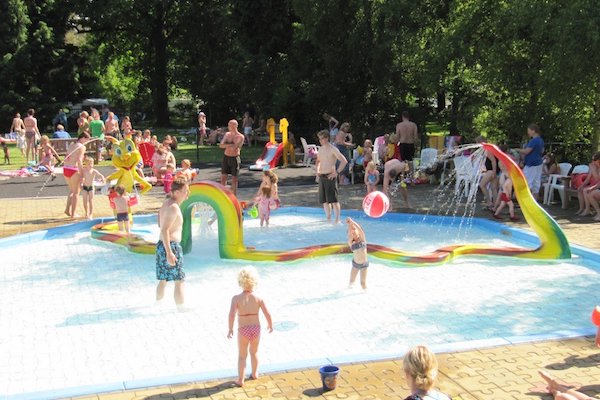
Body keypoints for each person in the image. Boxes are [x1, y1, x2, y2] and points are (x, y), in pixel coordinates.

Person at [227, 266, 273, 387]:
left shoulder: (236, 299)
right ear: (255, 282)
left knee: (242, 355)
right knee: (254, 352)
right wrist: (270, 324)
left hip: (243, 330)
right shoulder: (258, 298)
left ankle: (240, 380)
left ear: (240, 282)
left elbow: (231, 315)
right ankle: (254, 373)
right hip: (256, 329)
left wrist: (230, 329)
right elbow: (267, 313)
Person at [155, 177, 190, 311]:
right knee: (179, 280)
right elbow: (164, 229)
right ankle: (181, 310)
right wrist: (169, 252)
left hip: (162, 244)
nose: (187, 193)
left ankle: (157, 306)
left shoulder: (166, 203)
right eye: (185, 191)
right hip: (171, 247)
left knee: (163, 280)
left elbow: (160, 224)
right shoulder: (174, 207)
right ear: (176, 192)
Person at [315, 129, 348, 223]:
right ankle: (328, 217)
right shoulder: (321, 149)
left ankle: (337, 219)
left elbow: (344, 161)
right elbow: (318, 161)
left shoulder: (333, 149)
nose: (320, 141)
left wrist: (336, 172)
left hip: (330, 176)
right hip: (322, 175)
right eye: (319, 139)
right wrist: (317, 170)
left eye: (321, 139)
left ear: (326, 138)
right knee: (324, 201)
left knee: (333, 200)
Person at [63, 132, 91, 218]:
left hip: (66, 168)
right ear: (83, 138)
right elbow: (79, 160)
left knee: (72, 190)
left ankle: (67, 210)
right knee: (76, 193)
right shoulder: (82, 147)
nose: (87, 142)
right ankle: (73, 213)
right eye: (87, 140)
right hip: (74, 169)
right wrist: (82, 174)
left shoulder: (72, 144)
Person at [514, 123, 545, 200]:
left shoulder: (534, 141)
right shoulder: (541, 140)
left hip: (531, 164)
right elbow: (542, 151)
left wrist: (517, 150)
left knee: (527, 182)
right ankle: (535, 202)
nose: (528, 133)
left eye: (529, 131)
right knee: (536, 183)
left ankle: (527, 201)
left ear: (533, 131)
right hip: (539, 163)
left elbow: (527, 151)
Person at [220, 119, 245, 195]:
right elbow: (221, 145)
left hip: (234, 158)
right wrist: (230, 145)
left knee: (234, 179)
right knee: (223, 177)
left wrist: (227, 145)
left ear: (235, 126)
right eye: (228, 125)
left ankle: (234, 196)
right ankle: (222, 194)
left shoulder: (240, 136)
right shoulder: (227, 134)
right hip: (226, 157)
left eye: (230, 125)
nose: (229, 126)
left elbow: (235, 147)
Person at [476, 136, 498, 211]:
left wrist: (494, 172)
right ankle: (495, 206)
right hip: (493, 170)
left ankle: (489, 202)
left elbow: (493, 161)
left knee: (482, 185)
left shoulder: (487, 150)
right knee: (494, 188)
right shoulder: (489, 148)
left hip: (491, 170)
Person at [346, 217, 368, 289]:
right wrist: (349, 225)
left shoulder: (362, 240)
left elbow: (360, 229)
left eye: (354, 229)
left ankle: (365, 294)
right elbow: (349, 234)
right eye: (351, 230)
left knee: (363, 283)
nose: (353, 231)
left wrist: (352, 222)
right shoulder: (351, 243)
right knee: (351, 281)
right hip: (355, 265)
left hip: (364, 265)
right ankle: (347, 291)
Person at [578, 152, 600, 220]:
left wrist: (593, 169)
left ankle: (597, 213)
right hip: (596, 186)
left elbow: (597, 178)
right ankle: (585, 209)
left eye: (594, 160)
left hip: (597, 187)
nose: (592, 162)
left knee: (589, 193)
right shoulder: (596, 167)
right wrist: (582, 185)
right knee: (584, 190)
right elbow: (588, 179)